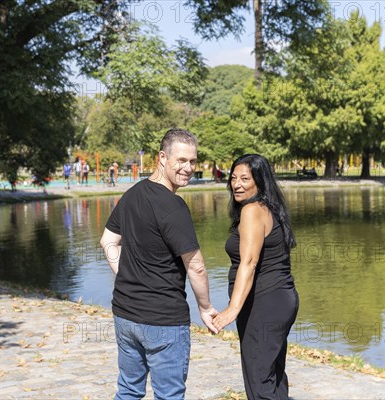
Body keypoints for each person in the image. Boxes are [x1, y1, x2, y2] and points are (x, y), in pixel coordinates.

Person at [100, 128, 218, 399]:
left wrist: (126, 275)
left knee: (128, 391)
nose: (188, 168)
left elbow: (108, 241)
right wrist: (206, 307)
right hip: (163, 321)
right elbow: (196, 265)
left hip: (126, 314)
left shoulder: (133, 193)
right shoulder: (174, 207)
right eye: (181, 160)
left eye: (193, 161)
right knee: (169, 395)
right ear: (162, 158)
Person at [213, 154, 299, 400]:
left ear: (259, 182)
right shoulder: (268, 208)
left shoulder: (252, 210)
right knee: (272, 375)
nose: (237, 184)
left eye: (244, 179)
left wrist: (232, 309)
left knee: (259, 381)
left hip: (265, 304)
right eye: (233, 178)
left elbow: (249, 263)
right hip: (279, 301)